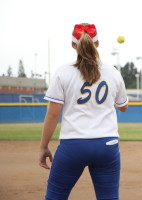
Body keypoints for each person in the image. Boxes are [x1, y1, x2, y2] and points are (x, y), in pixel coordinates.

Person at [39, 23, 128, 200]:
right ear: (97, 43)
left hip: (73, 145)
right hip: (107, 145)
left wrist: (43, 146)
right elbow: (123, 107)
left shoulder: (63, 72)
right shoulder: (113, 72)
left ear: (73, 45)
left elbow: (53, 114)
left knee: (55, 197)